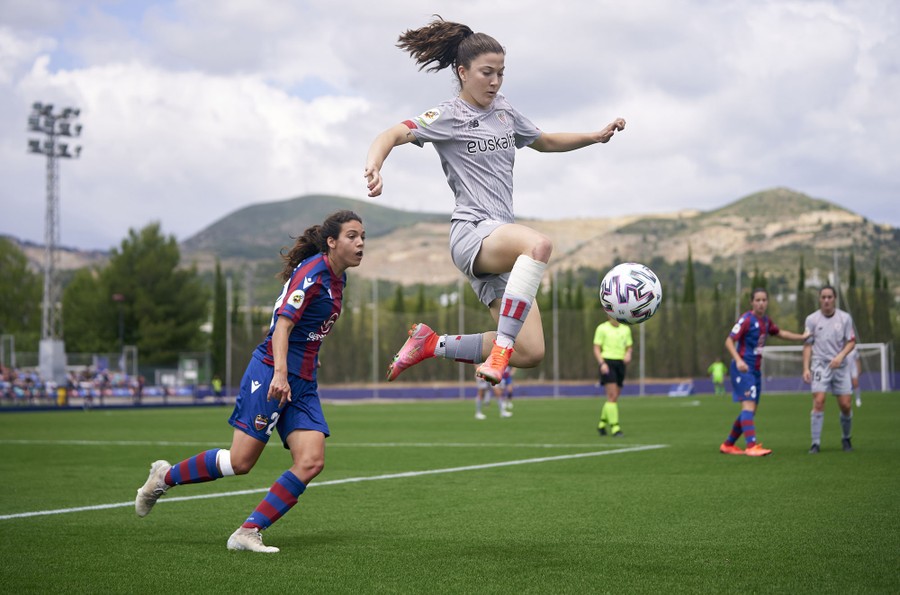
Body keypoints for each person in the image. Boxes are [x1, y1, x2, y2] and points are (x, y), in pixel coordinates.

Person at [365, 16, 626, 386]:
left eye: (501, 73)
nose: (495, 81)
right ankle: (500, 350)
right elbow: (392, 133)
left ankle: (430, 344)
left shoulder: (505, 111)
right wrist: (374, 166)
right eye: (487, 72)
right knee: (538, 244)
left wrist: (594, 137)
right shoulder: (448, 115)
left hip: (502, 242)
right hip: (473, 232)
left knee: (532, 352)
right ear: (462, 72)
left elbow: (545, 140)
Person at [134, 210, 365, 553]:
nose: (360, 243)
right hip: (272, 373)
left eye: (363, 236)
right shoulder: (314, 273)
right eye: (352, 236)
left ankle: (248, 531)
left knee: (311, 461)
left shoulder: (338, 278)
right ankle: (163, 478)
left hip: (302, 382)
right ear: (331, 243)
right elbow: (283, 326)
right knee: (240, 463)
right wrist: (281, 374)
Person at [719, 288, 808, 457]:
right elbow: (729, 341)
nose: (761, 303)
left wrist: (801, 337)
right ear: (752, 302)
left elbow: (780, 333)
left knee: (751, 411)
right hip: (742, 369)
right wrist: (738, 360)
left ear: (767, 302)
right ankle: (751, 446)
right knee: (748, 406)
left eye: (764, 300)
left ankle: (728, 444)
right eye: (757, 300)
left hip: (755, 371)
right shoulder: (746, 319)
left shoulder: (766, 322)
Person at [802, 285, 857, 454]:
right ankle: (815, 443)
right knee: (818, 401)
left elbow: (851, 341)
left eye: (829, 297)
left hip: (840, 366)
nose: (826, 300)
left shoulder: (845, 318)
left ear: (835, 298)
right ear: (819, 299)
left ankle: (846, 438)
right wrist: (806, 368)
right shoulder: (811, 319)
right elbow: (807, 345)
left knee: (845, 405)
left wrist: (840, 356)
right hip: (819, 365)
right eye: (823, 297)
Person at [593, 314, 633, 437]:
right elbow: (596, 348)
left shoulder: (625, 329)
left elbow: (629, 346)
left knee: (614, 397)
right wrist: (602, 363)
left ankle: (601, 424)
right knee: (612, 395)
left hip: (620, 364)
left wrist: (628, 354)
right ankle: (615, 427)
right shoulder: (602, 328)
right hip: (607, 363)